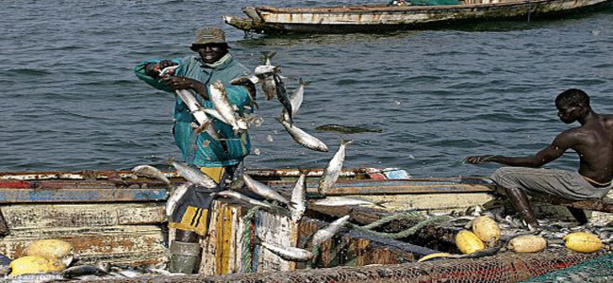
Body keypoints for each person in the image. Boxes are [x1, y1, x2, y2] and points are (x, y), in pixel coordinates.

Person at [134, 26, 254, 273]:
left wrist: (195, 85)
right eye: (202, 47)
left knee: (189, 219)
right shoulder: (189, 63)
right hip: (193, 152)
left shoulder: (239, 72)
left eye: (214, 46)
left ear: (224, 47)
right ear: (196, 49)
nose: (208, 51)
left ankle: (181, 274)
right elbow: (145, 70)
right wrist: (154, 68)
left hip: (218, 155)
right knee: (191, 207)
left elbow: (238, 97)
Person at [465, 89, 613, 229]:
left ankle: (532, 224)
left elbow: (535, 162)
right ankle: (582, 222)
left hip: (584, 189)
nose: (560, 115)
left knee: (503, 174)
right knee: (557, 175)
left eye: (563, 111)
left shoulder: (573, 135)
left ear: (580, 107)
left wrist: (495, 157)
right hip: (604, 187)